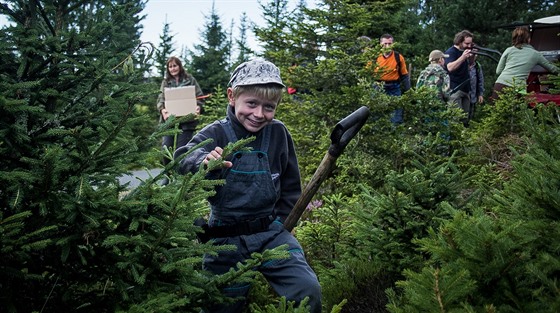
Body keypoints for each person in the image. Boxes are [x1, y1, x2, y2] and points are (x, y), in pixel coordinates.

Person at [173, 59, 322, 313]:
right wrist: (203, 160)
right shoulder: (216, 133)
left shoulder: (278, 134)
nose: (259, 114)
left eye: (269, 107)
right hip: (225, 239)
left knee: (307, 290)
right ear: (232, 97)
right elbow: (181, 157)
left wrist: (283, 226)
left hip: (271, 234)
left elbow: (290, 187)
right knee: (222, 306)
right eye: (251, 103)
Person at [156, 56, 204, 167]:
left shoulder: (190, 79)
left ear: (179, 66)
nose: (173, 69)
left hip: (187, 121)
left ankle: (180, 176)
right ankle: (168, 174)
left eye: (175, 66)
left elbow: (199, 97)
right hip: (170, 121)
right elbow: (160, 99)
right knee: (166, 149)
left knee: (181, 151)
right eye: (170, 66)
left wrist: (198, 107)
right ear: (168, 69)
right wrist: (162, 110)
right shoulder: (166, 82)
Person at [492, 26, 559, 100]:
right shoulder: (535, 54)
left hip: (500, 85)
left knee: (497, 110)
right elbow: (553, 69)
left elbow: (498, 71)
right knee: (517, 111)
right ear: (528, 39)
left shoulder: (508, 50)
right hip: (518, 88)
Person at [374, 33, 411, 124]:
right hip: (378, 86)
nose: (387, 46)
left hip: (394, 87)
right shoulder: (375, 57)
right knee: (376, 113)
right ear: (380, 44)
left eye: (389, 43)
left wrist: (409, 91)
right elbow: (367, 73)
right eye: (385, 43)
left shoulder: (398, 57)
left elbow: (404, 75)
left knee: (396, 113)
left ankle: (396, 133)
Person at [444, 30, 475, 126]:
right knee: (455, 120)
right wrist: (463, 57)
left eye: (470, 43)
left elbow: (469, 65)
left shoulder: (464, 51)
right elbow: (450, 67)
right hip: (455, 89)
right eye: (467, 43)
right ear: (459, 41)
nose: (469, 46)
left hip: (466, 89)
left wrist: (472, 56)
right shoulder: (451, 52)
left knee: (465, 120)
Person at [468, 53, 484, 120]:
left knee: (470, 116)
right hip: (463, 94)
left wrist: (480, 94)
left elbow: (480, 80)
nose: (474, 56)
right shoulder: (462, 64)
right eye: (473, 54)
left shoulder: (477, 66)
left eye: (476, 54)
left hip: (473, 95)